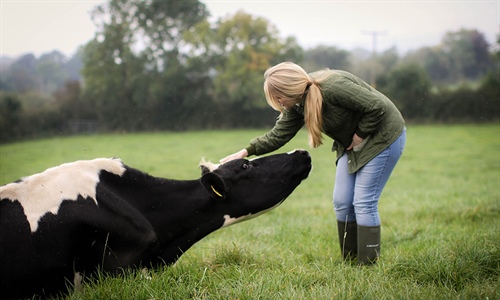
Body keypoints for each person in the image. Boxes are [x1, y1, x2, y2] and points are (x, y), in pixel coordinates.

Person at [220, 62, 406, 265]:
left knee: (363, 201)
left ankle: (368, 265)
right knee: (342, 201)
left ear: (287, 90)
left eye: (277, 97)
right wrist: (246, 151)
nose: (277, 102)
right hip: (351, 145)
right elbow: (279, 135)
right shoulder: (297, 104)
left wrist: (360, 135)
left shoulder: (333, 86)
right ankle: (351, 262)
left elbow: (377, 107)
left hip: (383, 136)